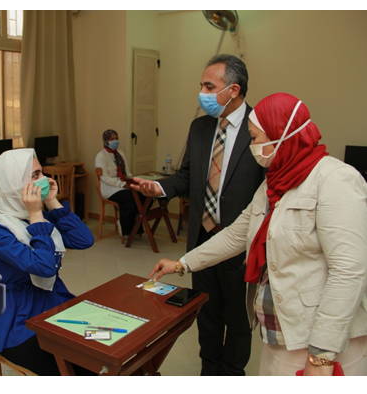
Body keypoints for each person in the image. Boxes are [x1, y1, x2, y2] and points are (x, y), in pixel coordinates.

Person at [149, 93, 367, 376]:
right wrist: (182, 264)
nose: (252, 146)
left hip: (322, 342)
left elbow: (348, 271)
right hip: (280, 332)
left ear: (281, 135)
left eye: (254, 138)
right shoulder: (273, 183)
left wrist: (322, 354)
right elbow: (235, 235)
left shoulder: (336, 179)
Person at [131, 54, 265, 376]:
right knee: (207, 314)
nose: (202, 93)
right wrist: (159, 188)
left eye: (209, 86)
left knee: (237, 320)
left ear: (233, 90)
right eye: (201, 86)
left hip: (241, 244)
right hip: (202, 238)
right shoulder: (200, 127)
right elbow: (186, 176)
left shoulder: (259, 127)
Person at [0, 148, 95, 376]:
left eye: (41, 172)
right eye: (35, 175)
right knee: (82, 368)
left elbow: (84, 240)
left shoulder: (34, 216)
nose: (44, 179)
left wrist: (52, 202)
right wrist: (35, 215)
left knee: (104, 351)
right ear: (14, 184)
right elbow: (44, 267)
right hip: (19, 322)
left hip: (53, 302)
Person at [95, 129, 147, 239]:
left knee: (144, 195)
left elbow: (127, 172)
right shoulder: (101, 156)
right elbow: (104, 178)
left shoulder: (121, 153)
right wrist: (122, 184)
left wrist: (133, 182)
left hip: (123, 184)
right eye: (111, 139)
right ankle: (125, 228)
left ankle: (136, 226)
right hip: (109, 188)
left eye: (116, 138)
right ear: (105, 141)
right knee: (130, 198)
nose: (115, 141)